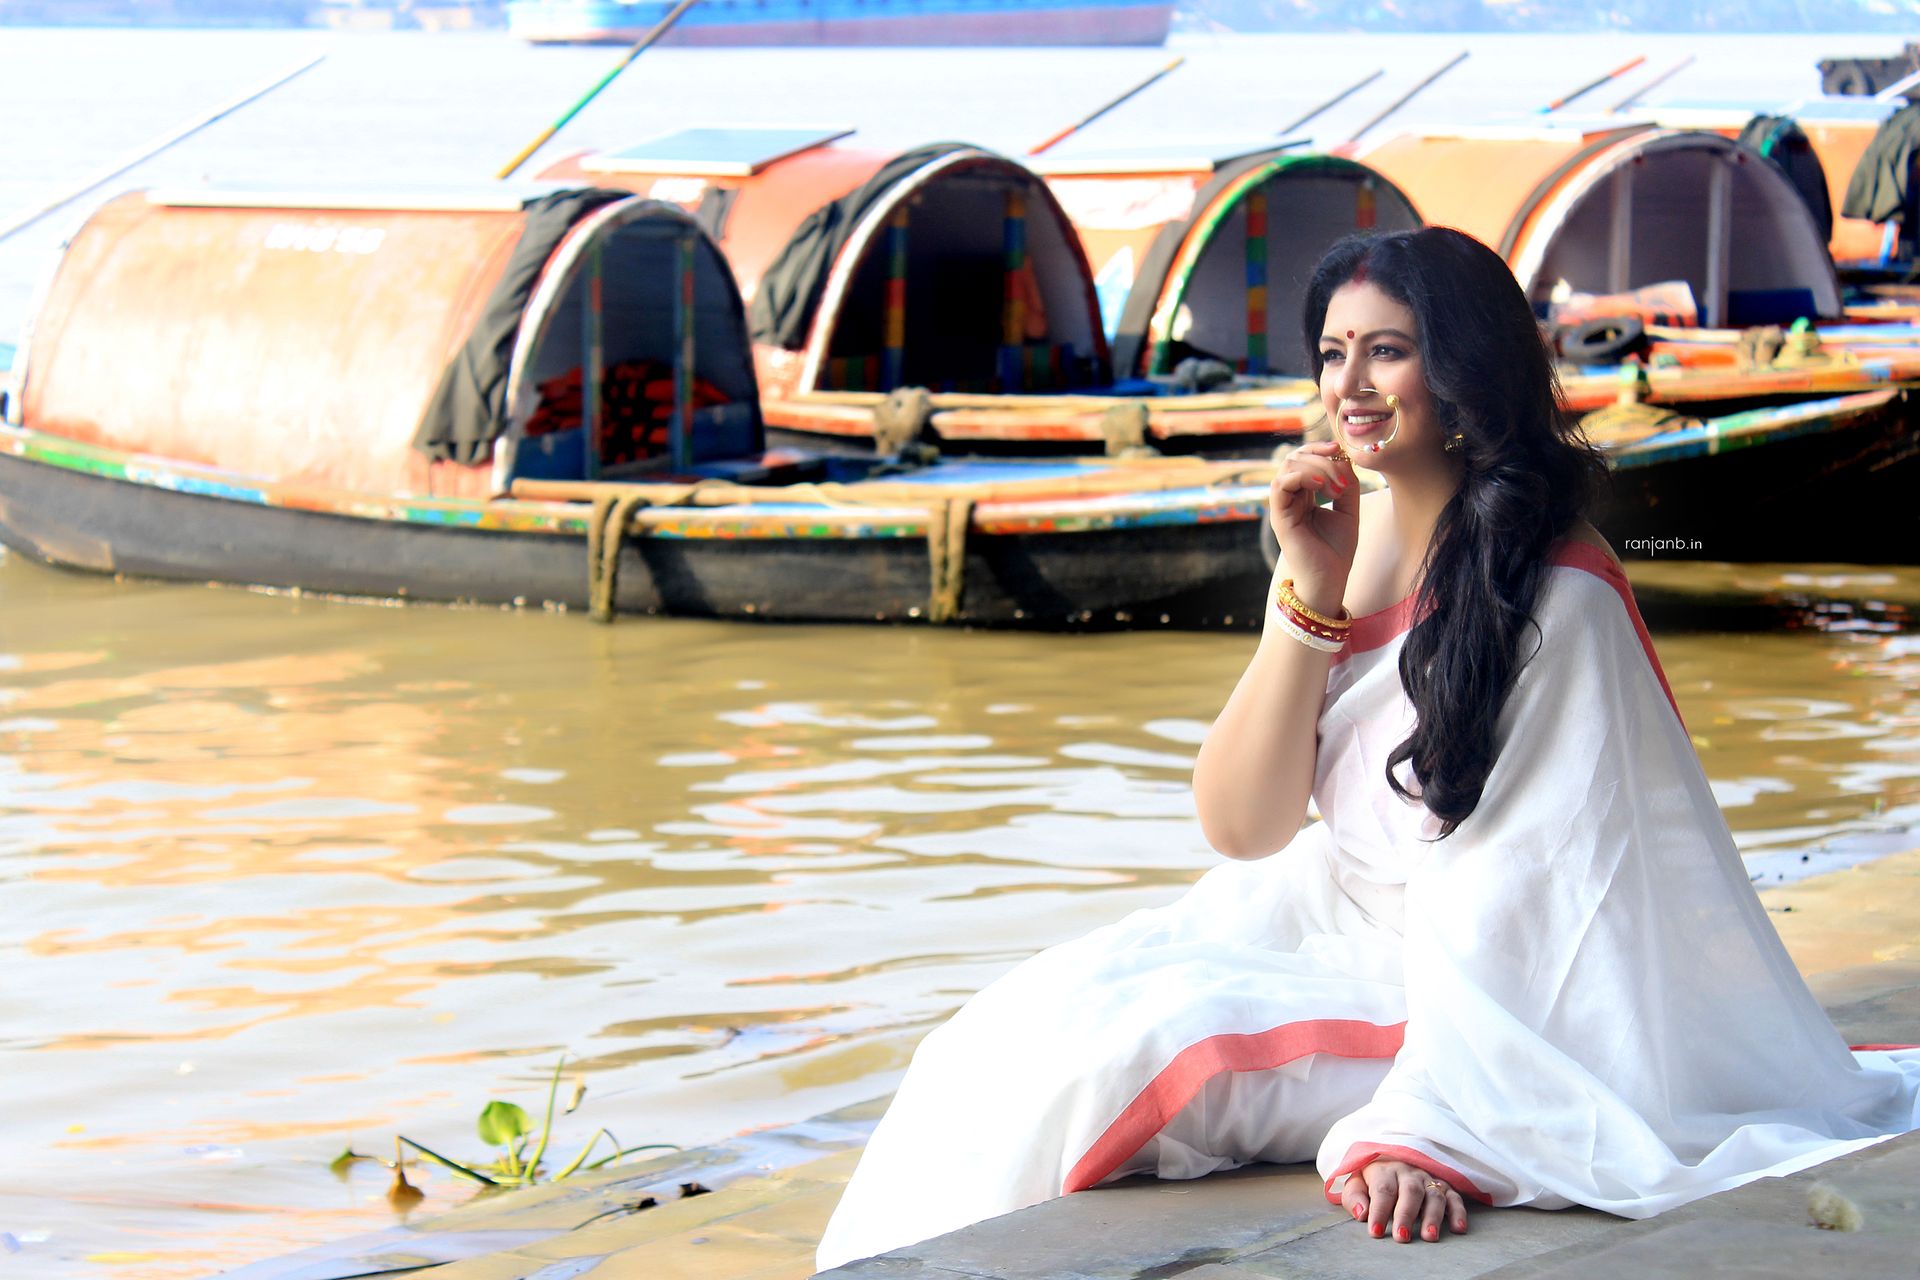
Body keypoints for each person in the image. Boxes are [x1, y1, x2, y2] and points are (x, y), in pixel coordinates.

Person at [813, 227, 1920, 1271]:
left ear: (1467, 369)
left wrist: (1430, 1121)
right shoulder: (1346, 528)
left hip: (1472, 983)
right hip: (1312, 913)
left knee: (1120, 1060)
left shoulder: (1559, 591)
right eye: (1333, 352)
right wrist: (1307, 581)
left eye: (1387, 351)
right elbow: (1244, 826)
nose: (1348, 385)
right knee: (1003, 1031)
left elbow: (1545, 889)